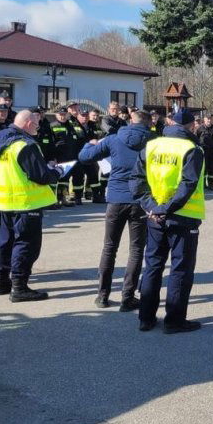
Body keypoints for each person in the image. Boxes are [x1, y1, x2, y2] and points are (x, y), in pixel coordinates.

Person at [129, 109, 204, 334]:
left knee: (152, 266)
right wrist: (164, 209)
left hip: (154, 216)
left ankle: (145, 317)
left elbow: (136, 180)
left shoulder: (151, 146)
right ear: (192, 127)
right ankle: (174, 321)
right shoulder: (192, 149)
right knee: (180, 269)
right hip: (183, 217)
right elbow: (187, 185)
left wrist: (152, 206)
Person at [79, 110, 152, 311]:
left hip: (116, 199)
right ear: (149, 124)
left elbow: (84, 157)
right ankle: (127, 297)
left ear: (130, 121)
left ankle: (102, 295)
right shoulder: (153, 142)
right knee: (136, 250)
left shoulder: (113, 139)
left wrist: (90, 144)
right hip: (140, 200)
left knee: (109, 247)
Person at [0, 110, 63, 301]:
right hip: (26, 203)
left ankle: (1, 282)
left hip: (6, 202)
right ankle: (19, 288)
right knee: (26, 244)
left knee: (6, 241)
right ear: (28, 123)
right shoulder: (24, 145)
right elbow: (41, 176)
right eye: (36, 124)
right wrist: (57, 172)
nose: (38, 127)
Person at [49, 107, 82, 207]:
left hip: (70, 157)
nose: (63, 116)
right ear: (56, 115)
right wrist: (52, 157)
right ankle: (52, 200)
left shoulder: (71, 126)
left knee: (65, 180)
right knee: (55, 180)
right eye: (60, 114)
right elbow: (51, 143)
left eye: (64, 115)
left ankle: (62, 198)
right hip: (58, 157)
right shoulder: (52, 126)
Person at [197, 115, 213, 190]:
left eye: (210, 119)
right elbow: (196, 139)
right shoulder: (200, 129)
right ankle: (203, 185)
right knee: (204, 168)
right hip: (203, 151)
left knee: (212, 168)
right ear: (204, 120)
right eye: (208, 119)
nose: (209, 120)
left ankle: (211, 184)